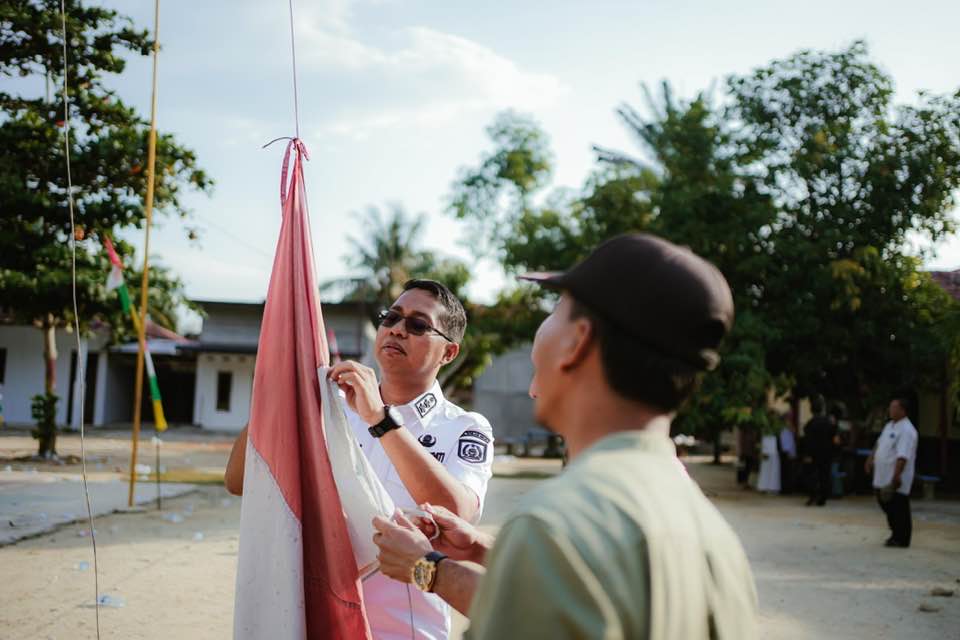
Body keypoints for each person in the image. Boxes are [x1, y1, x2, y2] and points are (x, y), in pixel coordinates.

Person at [371, 234, 758, 639]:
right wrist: (482, 552)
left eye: (557, 308)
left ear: (577, 341)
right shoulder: (713, 535)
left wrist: (427, 569)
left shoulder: (556, 521)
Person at [224, 279, 494, 640]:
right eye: (391, 317)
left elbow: (457, 510)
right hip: (314, 619)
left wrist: (380, 419)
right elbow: (239, 481)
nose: (398, 329)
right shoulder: (330, 409)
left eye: (417, 325)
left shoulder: (464, 427)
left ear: (448, 353)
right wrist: (276, 394)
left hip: (402, 631)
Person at [865, 397, 918, 548]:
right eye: (890, 407)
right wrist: (870, 458)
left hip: (896, 476)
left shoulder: (907, 430)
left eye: (894, 408)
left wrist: (897, 474)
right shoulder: (889, 425)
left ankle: (902, 538)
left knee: (899, 506)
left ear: (903, 410)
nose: (890, 410)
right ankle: (895, 533)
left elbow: (903, 455)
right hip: (882, 474)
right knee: (885, 503)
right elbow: (879, 444)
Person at [803, 396, 835, 506]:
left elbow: (807, 441)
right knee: (824, 475)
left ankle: (813, 496)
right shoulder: (829, 423)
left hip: (813, 454)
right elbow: (834, 438)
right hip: (826, 454)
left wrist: (807, 454)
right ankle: (823, 498)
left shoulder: (809, 424)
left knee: (812, 476)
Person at [778, 413, 798, 495]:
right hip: (786, 451)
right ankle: (786, 489)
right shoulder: (783, 429)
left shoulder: (788, 429)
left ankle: (788, 489)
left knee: (789, 471)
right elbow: (785, 441)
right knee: (786, 471)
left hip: (789, 451)